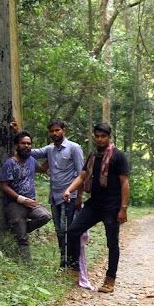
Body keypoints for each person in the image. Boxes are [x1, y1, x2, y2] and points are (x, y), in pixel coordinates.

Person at [62, 123, 130, 293]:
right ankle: (74, 269)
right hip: (94, 203)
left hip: (112, 206)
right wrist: (69, 190)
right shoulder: (93, 156)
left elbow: (125, 183)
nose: (100, 139)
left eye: (103, 136)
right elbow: (83, 176)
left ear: (109, 137)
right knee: (73, 231)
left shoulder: (118, 156)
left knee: (112, 242)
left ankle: (110, 279)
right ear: (94, 136)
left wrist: (123, 208)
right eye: (97, 136)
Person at [25, 119, 85, 267]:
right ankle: (63, 261)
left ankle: (74, 263)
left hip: (70, 197)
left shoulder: (74, 148)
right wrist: (17, 133)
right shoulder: (49, 149)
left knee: (70, 230)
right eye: (52, 131)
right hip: (54, 197)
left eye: (57, 130)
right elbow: (30, 151)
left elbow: (82, 174)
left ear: (64, 130)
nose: (54, 133)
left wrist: (79, 197)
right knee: (59, 231)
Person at [0, 131, 51, 264]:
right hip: (14, 204)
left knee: (45, 216)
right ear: (17, 145)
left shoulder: (31, 160)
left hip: (31, 203)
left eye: (29, 144)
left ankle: (19, 228)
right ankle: (27, 264)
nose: (27, 146)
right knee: (23, 239)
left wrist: (52, 154)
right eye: (23, 143)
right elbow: (4, 186)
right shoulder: (9, 163)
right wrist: (21, 199)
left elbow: (42, 169)